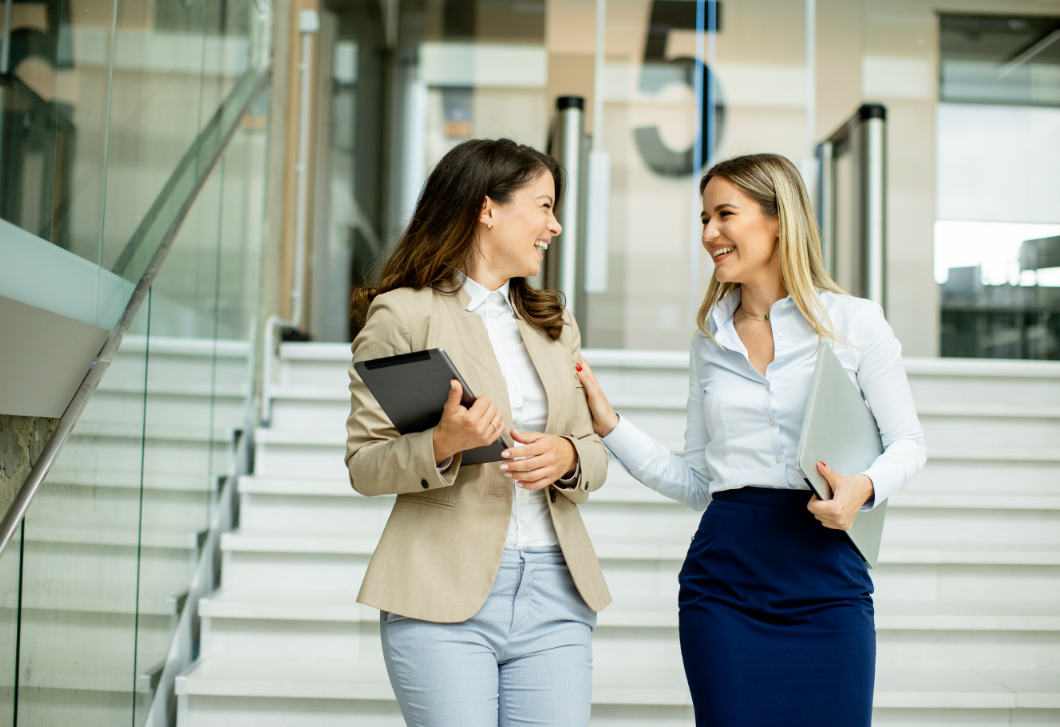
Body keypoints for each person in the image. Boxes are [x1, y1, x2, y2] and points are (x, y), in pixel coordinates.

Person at [574, 153, 926, 727]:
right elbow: (696, 481)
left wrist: (863, 487)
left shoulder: (856, 324)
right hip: (725, 585)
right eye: (704, 219)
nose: (710, 233)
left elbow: (909, 442)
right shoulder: (708, 342)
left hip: (828, 580)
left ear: (779, 219)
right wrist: (611, 425)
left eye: (725, 215)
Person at [345, 138, 611, 727]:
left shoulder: (552, 321)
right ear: (487, 208)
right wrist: (443, 443)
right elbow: (365, 463)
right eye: (543, 206)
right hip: (440, 589)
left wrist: (566, 455)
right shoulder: (404, 314)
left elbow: (592, 451)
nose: (556, 225)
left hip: (555, 589)